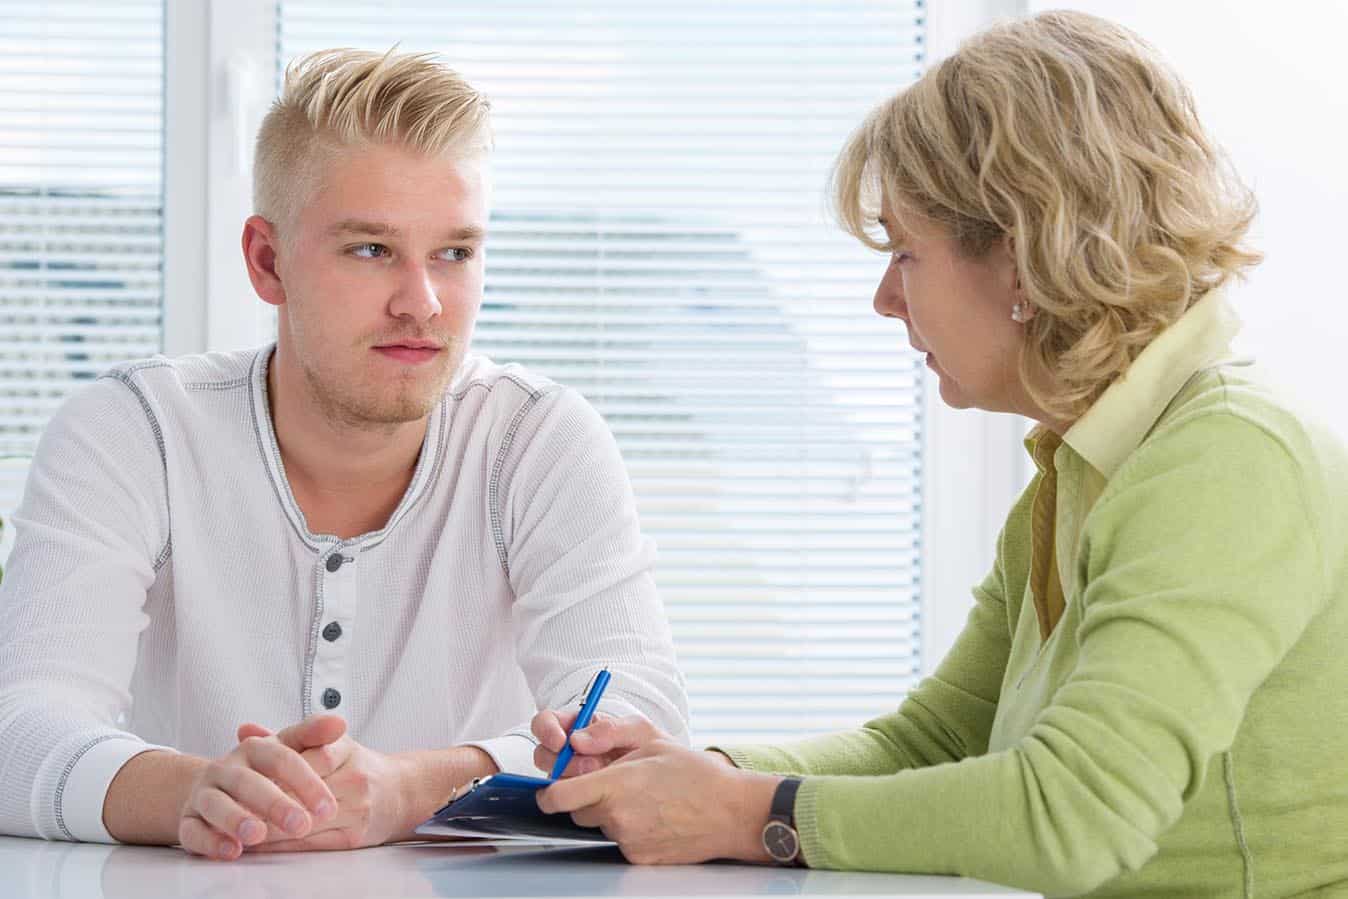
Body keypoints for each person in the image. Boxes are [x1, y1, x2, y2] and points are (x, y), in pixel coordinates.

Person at [527, 11, 1348, 897]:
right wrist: (694, 774)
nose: (886, 298)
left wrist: (743, 813)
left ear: (1022, 255)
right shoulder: (1083, 471)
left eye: (905, 253)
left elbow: (1075, 815)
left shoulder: (1227, 460)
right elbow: (937, 742)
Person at [0, 49, 688, 860]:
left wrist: (408, 789)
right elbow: (18, 730)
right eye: (371, 249)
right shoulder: (134, 430)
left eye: (455, 253)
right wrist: (200, 793)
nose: (422, 303)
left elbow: (642, 737)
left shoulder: (538, 440)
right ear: (267, 261)